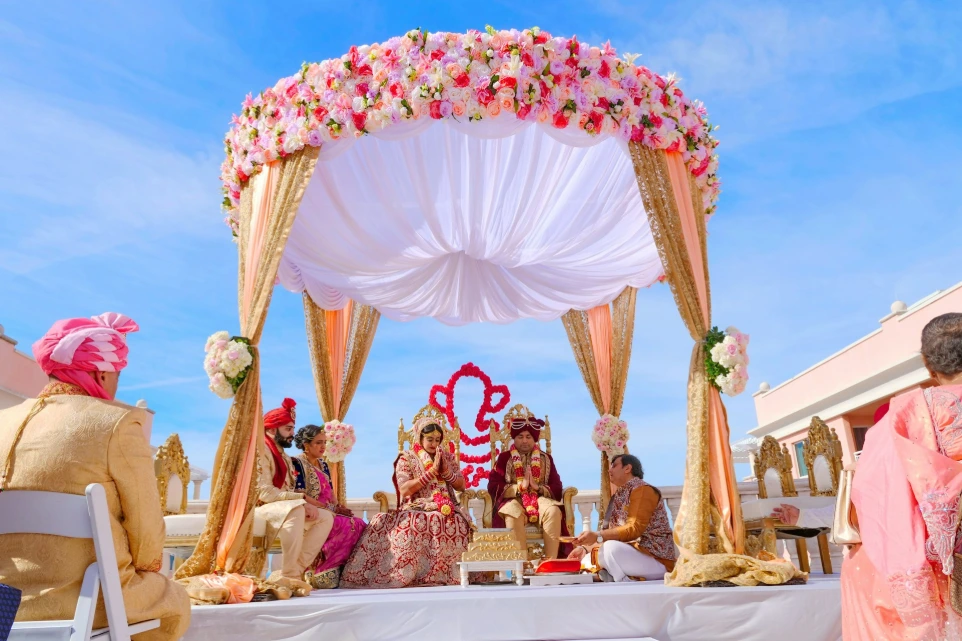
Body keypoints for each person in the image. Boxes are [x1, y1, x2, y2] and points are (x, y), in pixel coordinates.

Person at [0, 313, 189, 641]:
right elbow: (147, 543)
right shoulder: (118, 422)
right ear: (102, 374)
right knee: (175, 600)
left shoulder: (4, 421)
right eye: (117, 376)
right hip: (84, 602)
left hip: (5, 605)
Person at [841, 312, 962, 640]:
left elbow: (873, 495)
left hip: (940, 572)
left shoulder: (901, 418)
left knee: (858, 573)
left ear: (927, 364)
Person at [340, 419, 472, 588]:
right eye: (430, 439)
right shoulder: (407, 458)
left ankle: (451, 574)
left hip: (446, 505)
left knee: (459, 523)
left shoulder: (446, 457)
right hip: (418, 506)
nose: (434, 443)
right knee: (414, 523)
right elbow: (405, 490)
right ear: (420, 438)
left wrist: (446, 472)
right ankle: (409, 575)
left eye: (437, 440)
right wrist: (430, 473)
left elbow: (461, 485)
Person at [255, 398, 334, 592]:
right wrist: (299, 500)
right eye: (288, 429)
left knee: (325, 517)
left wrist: (301, 500)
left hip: (280, 505)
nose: (292, 434)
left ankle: (294, 572)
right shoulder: (262, 451)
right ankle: (290, 575)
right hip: (260, 506)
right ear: (273, 429)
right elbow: (263, 491)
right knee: (297, 510)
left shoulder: (281, 453)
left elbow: (289, 489)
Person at [569, 454, 676, 581]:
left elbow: (634, 528)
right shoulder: (619, 495)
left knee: (610, 549)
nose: (609, 470)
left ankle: (616, 577)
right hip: (631, 556)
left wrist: (597, 535)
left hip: (655, 559)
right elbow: (614, 534)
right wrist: (585, 549)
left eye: (614, 466)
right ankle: (612, 575)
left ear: (627, 468)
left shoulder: (643, 490)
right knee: (587, 558)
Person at [289, 424, 367, 588]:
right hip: (311, 510)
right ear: (306, 444)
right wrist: (327, 508)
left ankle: (339, 572)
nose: (323, 446)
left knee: (358, 524)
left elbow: (330, 492)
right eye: (318, 443)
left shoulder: (323, 464)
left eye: (324, 442)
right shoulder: (297, 463)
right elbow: (300, 493)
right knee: (341, 524)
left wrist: (338, 506)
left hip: (327, 510)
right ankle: (321, 571)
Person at [487, 416, 569, 559]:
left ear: (535, 439)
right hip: (515, 499)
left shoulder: (546, 458)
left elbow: (557, 486)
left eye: (528, 436)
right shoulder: (504, 458)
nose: (524, 440)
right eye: (520, 436)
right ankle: (522, 566)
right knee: (512, 512)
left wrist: (538, 488)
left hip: (540, 499)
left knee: (553, 511)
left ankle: (550, 563)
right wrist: (519, 487)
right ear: (514, 438)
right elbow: (493, 486)